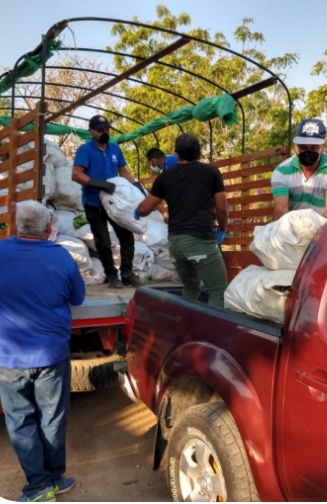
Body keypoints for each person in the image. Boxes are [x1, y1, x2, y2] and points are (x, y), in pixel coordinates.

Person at [0, 201, 84, 502]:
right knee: (52, 417)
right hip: (51, 354)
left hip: (9, 357)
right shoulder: (61, 257)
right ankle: (55, 478)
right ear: (49, 228)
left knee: (21, 419)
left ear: (16, 225)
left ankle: (37, 486)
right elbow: (78, 296)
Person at [135, 134, 229, 308]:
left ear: (176, 155)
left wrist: (136, 211)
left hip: (176, 243)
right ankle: (214, 334)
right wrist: (222, 229)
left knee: (190, 287)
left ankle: (185, 330)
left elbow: (144, 209)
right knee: (218, 290)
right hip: (199, 240)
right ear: (200, 154)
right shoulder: (211, 172)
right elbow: (222, 209)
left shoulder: (164, 178)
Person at [71, 114, 143, 289]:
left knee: (127, 236)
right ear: (91, 131)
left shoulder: (114, 149)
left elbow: (123, 170)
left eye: (107, 129)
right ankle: (112, 275)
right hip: (93, 202)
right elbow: (76, 174)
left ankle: (127, 273)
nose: (104, 132)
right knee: (103, 240)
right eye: (100, 130)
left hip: (114, 202)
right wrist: (99, 185)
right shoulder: (85, 150)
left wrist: (137, 187)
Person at [270, 118, 327, 221]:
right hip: (291, 230)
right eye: (303, 147)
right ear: (295, 145)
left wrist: (318, 234)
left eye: (314, 147)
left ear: (323, 145)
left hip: (323, 230)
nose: (308, 151)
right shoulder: (281, 172)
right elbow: (280, 210)